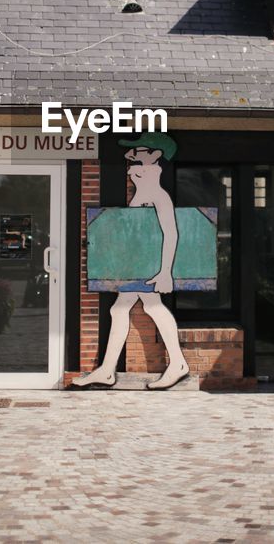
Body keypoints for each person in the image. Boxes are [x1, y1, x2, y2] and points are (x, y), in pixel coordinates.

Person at [72, 132, 189, 390]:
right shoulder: (142, 193)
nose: (130, 157)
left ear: (156, 156)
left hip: (148, 267)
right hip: (139, 265)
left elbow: (171, 232)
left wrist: (165, 271)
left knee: (150, 307)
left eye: (138, 152)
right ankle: (107, 370)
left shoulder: (158, 196)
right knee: (121, 309)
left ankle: (178, 363)